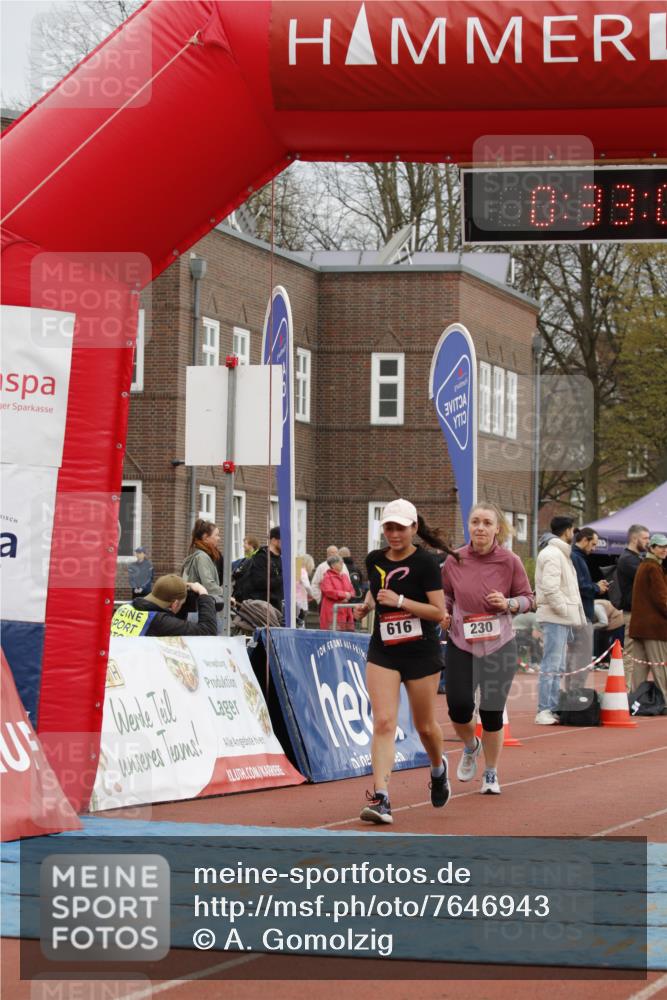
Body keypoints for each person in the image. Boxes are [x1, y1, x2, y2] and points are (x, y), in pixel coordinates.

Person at [352, 499, 453, 826]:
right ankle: (381, 797)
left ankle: (438, 769)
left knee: (425, 726)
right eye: (389, 527)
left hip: (421, 652)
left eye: (400, 527)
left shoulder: (425, 563)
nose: (394, 534)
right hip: (384, 649)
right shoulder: (373, 559)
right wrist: (367, 606)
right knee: (383, 721)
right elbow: (378, 587)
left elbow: (438, 612)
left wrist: (400, 601)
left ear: (413, 528)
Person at [441, 503, 533, 795]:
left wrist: (509, 604)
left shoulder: (510, 561)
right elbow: (445, 595)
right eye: (475, 522)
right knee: (458, 707)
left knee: (492, 712)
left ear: (497, 529)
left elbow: (528, 598)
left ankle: (491, 773)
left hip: (499, 645)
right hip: (461, 643)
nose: (480, 527)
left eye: (486, 523)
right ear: (469, 526)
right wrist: (442, 612)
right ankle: (471, 745)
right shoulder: (453, 560)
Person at [534, 516, 587, 725]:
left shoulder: (559, 554)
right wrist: (565, 610)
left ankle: (551, 707)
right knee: (552, 664)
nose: (574, 535)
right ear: (567, 531)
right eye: (573, 531)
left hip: (560, 616)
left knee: (557, 665)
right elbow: (550, 587)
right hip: (556, 616)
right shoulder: (554, 554)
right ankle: (545, 709)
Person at [627, 533, 667, 700]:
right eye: (660, 547)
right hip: (654, 628)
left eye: (666, 547)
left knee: (639, 668)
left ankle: (634, 700)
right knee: (660, 667)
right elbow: (661, 598)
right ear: (652, 548)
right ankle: (665, 700)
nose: (664, 550)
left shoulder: (644, 565)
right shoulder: (653, 567)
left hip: (639, 626)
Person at [111, 575, 217, 637]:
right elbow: (207, 631)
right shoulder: (159, 621)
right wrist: (203, 594)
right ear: (175, 604)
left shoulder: (125, 607)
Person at [568, 527, 608, 687]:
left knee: (573, 657)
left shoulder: (575, 557)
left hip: (578, 614)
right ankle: (576, 693)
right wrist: (597, 588)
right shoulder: (576, 558)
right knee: (582, 657)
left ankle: (572, 692)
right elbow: (581, 586)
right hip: (582, 615)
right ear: (584, 540)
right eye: (593, 544)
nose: (595, 548)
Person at [616, 524, 650, 690]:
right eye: (645, 538)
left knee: (641, 654)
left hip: (641, 613)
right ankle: (626, 690)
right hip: (632, 613)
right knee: (630, 654)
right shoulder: (628, 560)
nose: (648, 542)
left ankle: (636, 690)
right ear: (634, 539)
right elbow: (647, 577)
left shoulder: (637, 558)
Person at [233, 526, 283, 610]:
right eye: (284, 541)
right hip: (262, 609)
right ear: (274, 540)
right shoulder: (261, 558)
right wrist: (284, 578)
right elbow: (260, 582)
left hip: (276, 607)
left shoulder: (281, 559)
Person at [181, 519, 224, 606]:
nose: (219, 538)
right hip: (201, 607)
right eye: (216, 535)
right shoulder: (202, 557)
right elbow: (209, 585)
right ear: (206, 537)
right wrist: (226, 595)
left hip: (195, 606)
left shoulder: (196, 555)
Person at [319, 554, 356, 630]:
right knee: (333, 634)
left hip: (345, 610)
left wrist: (349, 595)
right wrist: (344, 595)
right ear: (332, 565)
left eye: (342, 562)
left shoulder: (345, 576)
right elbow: (328, 591)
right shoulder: (327, 577)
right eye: (340, 562)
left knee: (345, 633)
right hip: (332, 611)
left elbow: (352, 590)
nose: (342, 564)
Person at [295, 554, 315, 627]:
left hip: (295, 601)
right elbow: (307, 585)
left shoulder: (296, 570)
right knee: (301, 622)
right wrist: (312, 594)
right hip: (301, 601)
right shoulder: (303, 571)